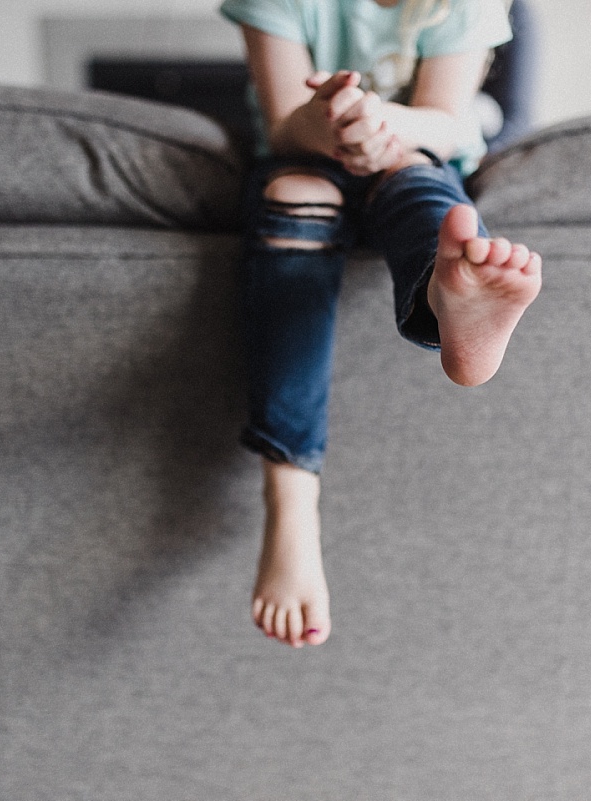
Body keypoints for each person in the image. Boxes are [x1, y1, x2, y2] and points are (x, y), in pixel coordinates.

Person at [219, 0, 542, 648]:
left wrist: (380, 124)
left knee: (424, 189)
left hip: (412, 150)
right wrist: (332, 124)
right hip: (305, 153)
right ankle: (292, 508)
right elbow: (284, 126)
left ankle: (448, 301)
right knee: (297, 195)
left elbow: (447, 123)